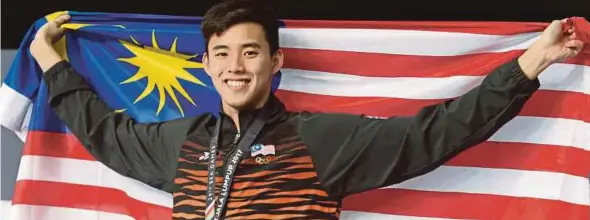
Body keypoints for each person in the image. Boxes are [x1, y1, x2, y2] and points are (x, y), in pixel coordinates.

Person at [29, 0, 583, 219]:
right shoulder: (183, 142)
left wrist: (531, 62)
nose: (235, 66)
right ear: (205, 64)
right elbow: (105, 132)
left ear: (276, 62)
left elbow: (437, 133)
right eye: (221, 53)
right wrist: (50, 63)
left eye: (250, 52)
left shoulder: (319, 140)